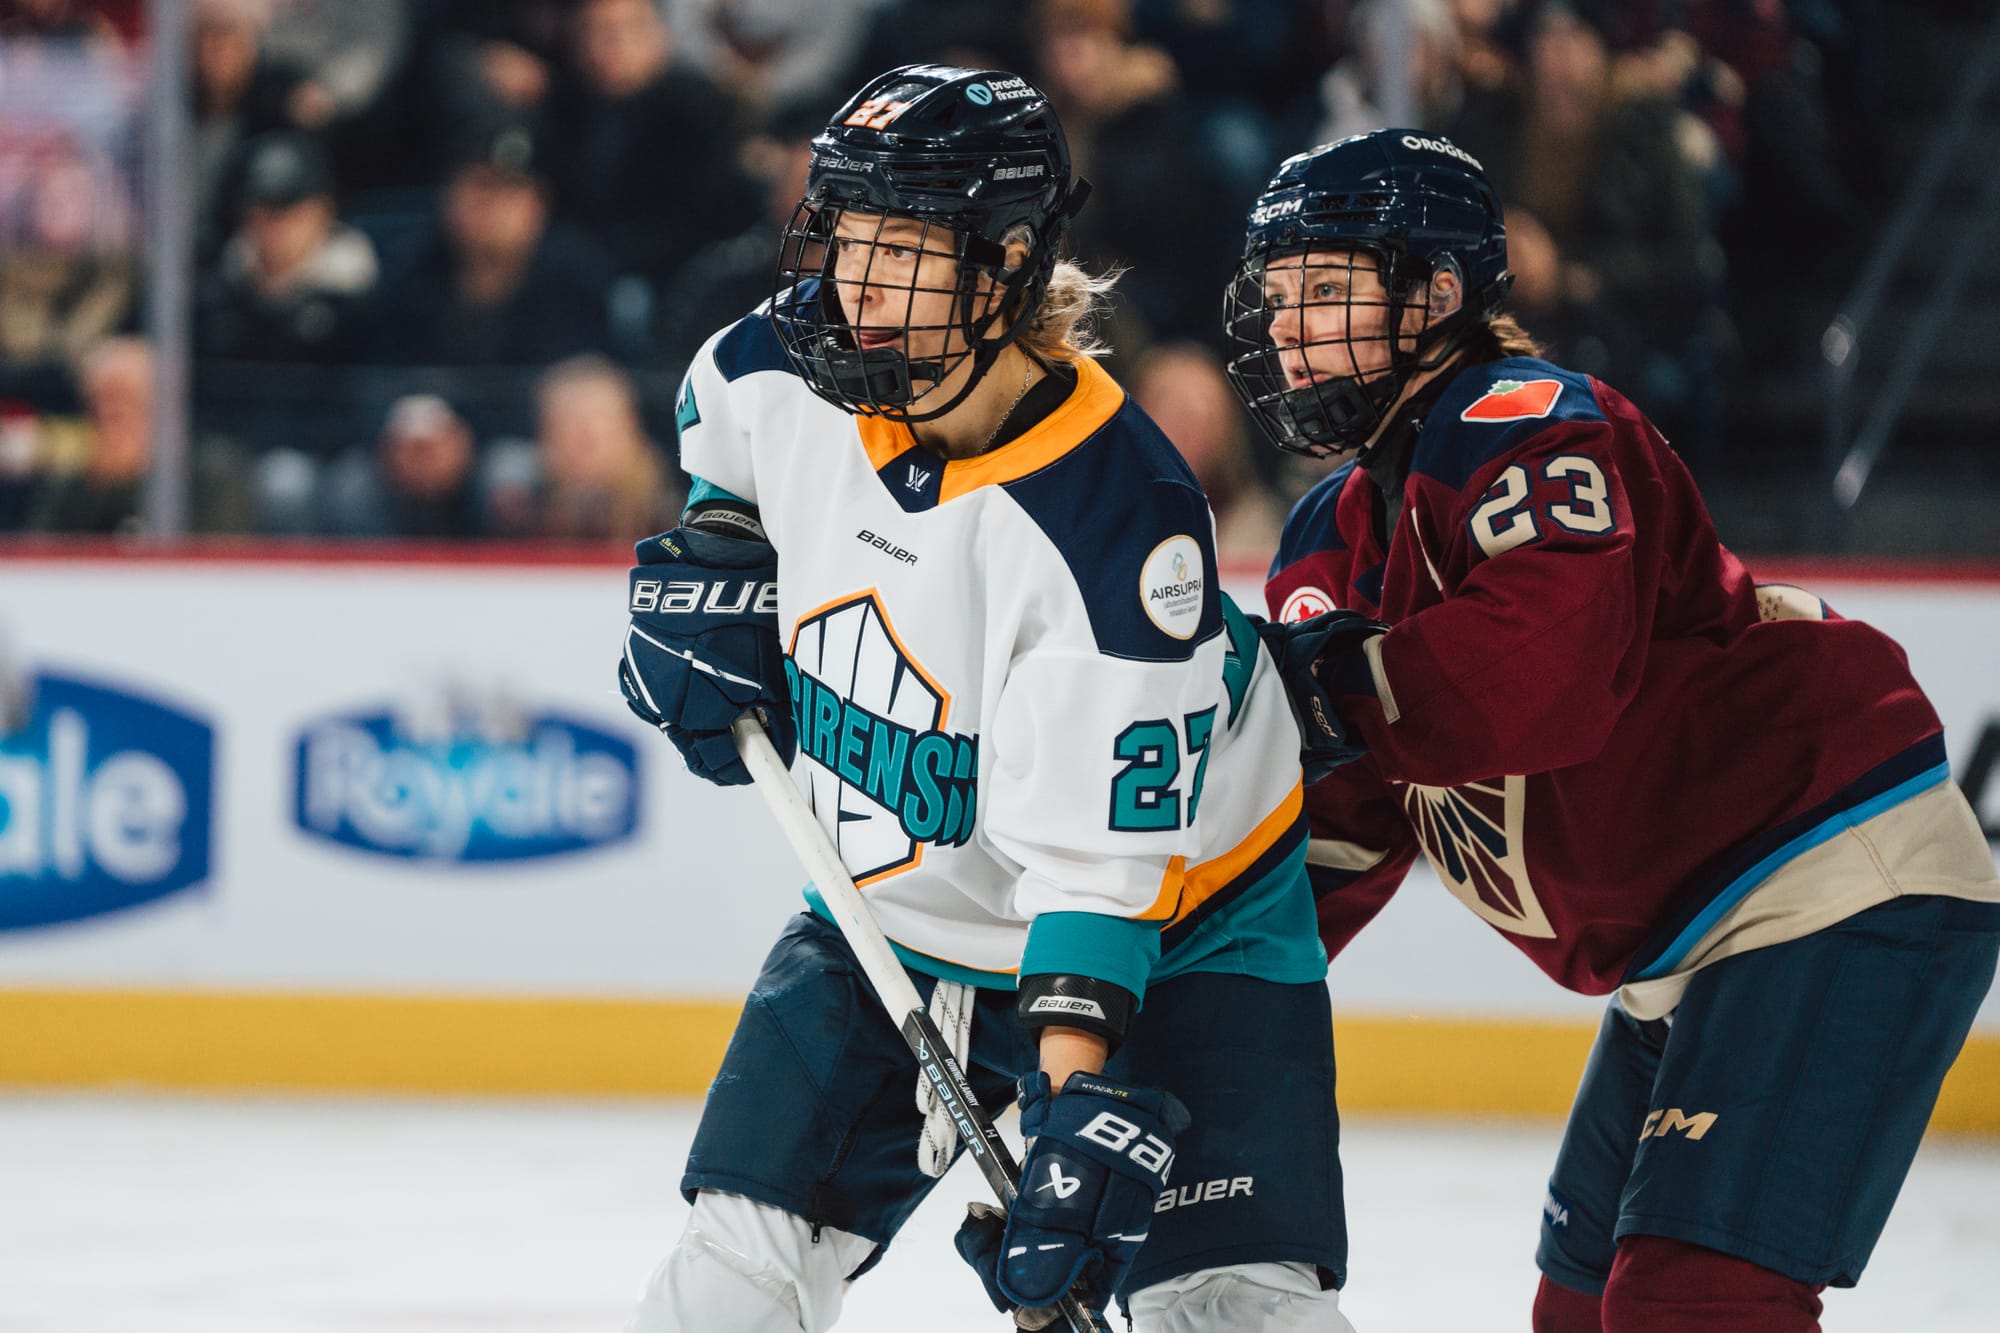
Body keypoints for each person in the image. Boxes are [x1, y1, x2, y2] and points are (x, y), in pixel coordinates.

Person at [616, 64, 1356, 1333]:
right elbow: (727, 472)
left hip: (1183, 934)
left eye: (899, 253)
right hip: (882, 919)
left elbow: (1095, 880)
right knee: (722, 1285)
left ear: (1004, 265)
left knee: (1226, 1308)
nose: (853, 290)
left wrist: (1069, 1113)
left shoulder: (1118, 529)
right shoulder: (770, 371)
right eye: (843, 239)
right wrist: (713, 561)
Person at [1223, 129, 2000, 1332]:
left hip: (1832, 886)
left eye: (1324, 289)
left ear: (1434, 294)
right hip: (1680, 951)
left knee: (1689, 1306)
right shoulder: (1330, 534)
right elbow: (1338, 831)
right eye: (1276, 298)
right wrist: (1163, 1001)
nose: (1285, 326)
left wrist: (1343, 685)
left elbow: (1548, 669)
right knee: (1579, 1314)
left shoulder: (1522, 419)